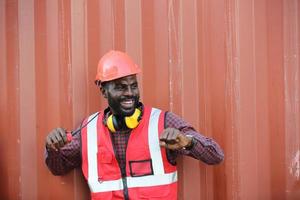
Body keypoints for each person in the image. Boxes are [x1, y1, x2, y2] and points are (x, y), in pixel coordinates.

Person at [45, 50, 224, 200]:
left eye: (133, 86)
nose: (130, 93)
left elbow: (215, 155)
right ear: (103, 91)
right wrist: (53, 148)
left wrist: (187, 142)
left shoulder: (162, 122)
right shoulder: (88, 131)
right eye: (121, 87)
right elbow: (58, 168)